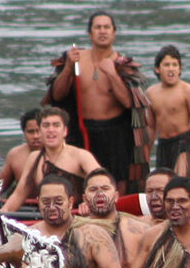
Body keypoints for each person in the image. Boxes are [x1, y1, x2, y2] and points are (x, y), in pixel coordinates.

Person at [44, 11, 151, 193]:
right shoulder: (76, 59)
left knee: (118, 182)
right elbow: (57, 95)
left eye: (107, 27)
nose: (102, 31)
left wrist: (111, 73)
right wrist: (69, 68)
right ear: (90, 33)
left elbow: (128, 103)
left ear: (114, 32)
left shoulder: (122, 64)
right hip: (82, 129)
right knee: (80, 180)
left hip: (115, 132)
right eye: (98, 27)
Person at [33, 175, 121, 268]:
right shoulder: (28, 235)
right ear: (38, 201)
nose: (52, 207)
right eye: (46, 202)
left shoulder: (92, 233)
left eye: (58, 202)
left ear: (70, 202)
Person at [2, 107, 101, 212]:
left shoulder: (81, 155)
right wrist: (0, 216)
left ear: (65, 131)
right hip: (47, 218)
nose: (50, 130)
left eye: (56, 125)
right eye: (46, 125)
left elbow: (104, 184)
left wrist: (89, 202)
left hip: (78, 216)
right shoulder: (34, 157)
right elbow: (18, 195)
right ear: (40, 131)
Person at [145, 45, 190, 176]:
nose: (171, 69)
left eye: (175, 65)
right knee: (163, 184)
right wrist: (145, 156)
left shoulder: (188, 90)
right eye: (167, 65)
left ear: (180, 69)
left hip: (184, 143)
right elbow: (151, 128)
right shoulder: (151, 93)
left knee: (180, 181)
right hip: (163, 144)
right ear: (157, 69)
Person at [75, 168, 150, 268]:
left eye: (105, 188)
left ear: (116, 196)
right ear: (84, 199)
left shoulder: (140, 230)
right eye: (93, 190)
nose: (99, 194)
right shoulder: (73, 232)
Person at [0, 109, 42, 196]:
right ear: (24, 133)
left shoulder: (62, 153)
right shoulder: (15, 154)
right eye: (31, 132)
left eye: (39, 131)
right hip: (22, 206)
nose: (36, 136)